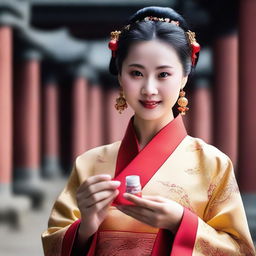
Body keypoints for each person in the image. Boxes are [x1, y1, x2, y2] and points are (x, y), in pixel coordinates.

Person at [42, 6, 255, 256]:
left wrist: (181, 222)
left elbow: (239, 250)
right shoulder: (89, 163)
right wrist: (85, 227)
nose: (149, 89)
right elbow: (54, 242)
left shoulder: (213, 164)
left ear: (184, 77)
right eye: (136, 73)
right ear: (120, 77)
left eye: (163, 74)